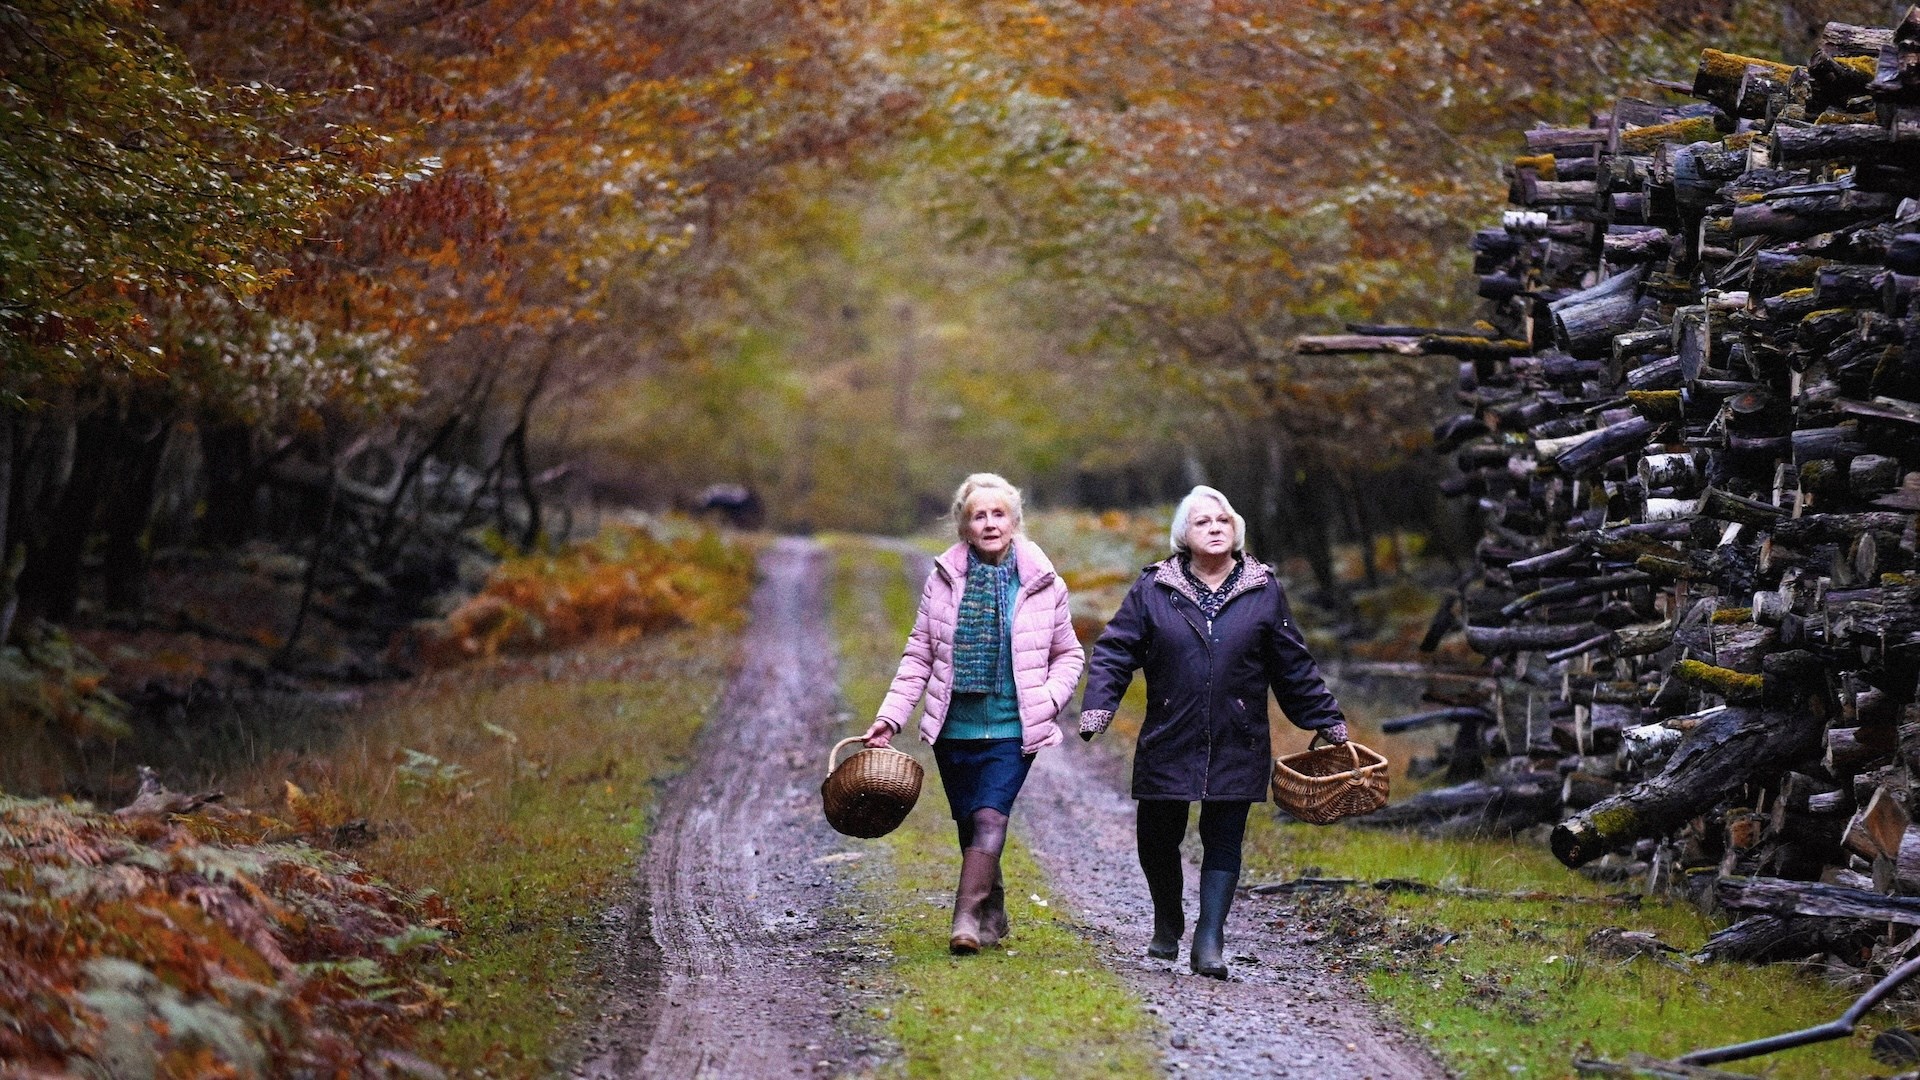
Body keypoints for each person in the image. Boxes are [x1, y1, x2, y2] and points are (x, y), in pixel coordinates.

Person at [1078, 486, 1349, 978]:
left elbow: (1292, 663)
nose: (1215, 527)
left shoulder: (1263, 587)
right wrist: (1099, 706)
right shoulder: (1153, 588)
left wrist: (1326, 719)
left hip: (1238, 733)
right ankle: (1167, 916)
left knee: (1224, 836)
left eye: (1223, 519)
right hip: (1169, 729)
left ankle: (1210, 938)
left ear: (1236, 528)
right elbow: (1116, 650)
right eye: (1203, 521)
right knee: (1157, 838)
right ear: (1185, 534)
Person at [863, 473, 1086, 953]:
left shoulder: (1044, 583)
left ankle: (963, 919)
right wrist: (891, 716)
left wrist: (1047, 700)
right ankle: (993, 908)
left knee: (991, 818)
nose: (989, 523)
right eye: (978, 516)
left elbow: (1069, 654)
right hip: (954, 727)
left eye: (998, 514)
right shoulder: (942, 581)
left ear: (1015, 521)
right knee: (971, 824)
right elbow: (919, 655)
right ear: (964, 527)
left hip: (1012, 726)